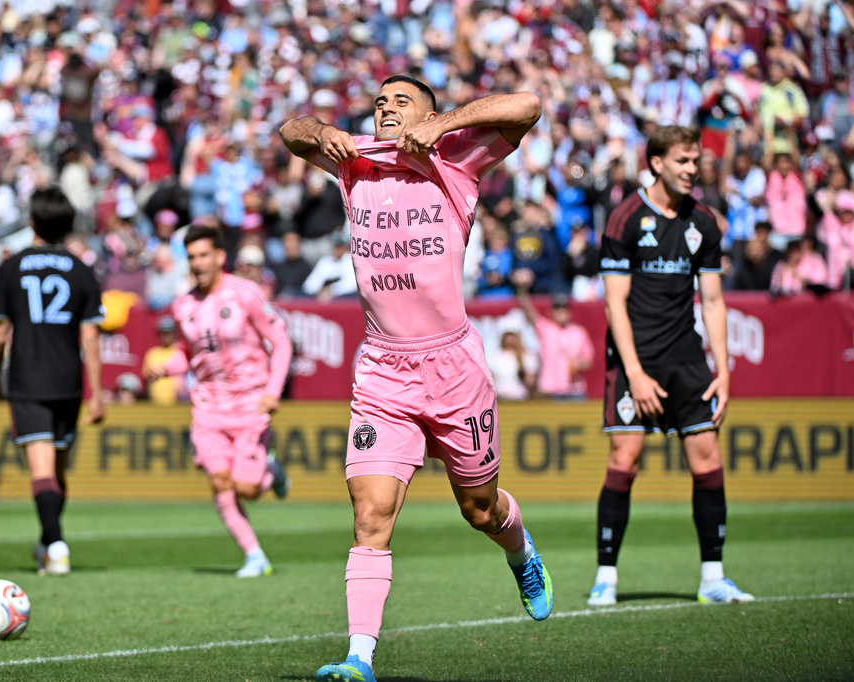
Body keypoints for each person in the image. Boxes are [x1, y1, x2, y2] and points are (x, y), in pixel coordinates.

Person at [280, 75, 552, 682]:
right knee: (371, 514)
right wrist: (322, 131)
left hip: (453, 368)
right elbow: (290, 132)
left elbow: (528, 105)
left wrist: (444, 123)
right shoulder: (355, 160)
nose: (385, 108)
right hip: (383, 368)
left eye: (401, 102)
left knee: (479, 509)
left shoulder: (457, 157)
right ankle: (359, 658)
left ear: (425, 114)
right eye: (379, 101)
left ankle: (521, 550)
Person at [590, 124, 753, 608]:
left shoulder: (704, 221)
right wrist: (636, 373)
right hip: (633, 359)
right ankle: (606, 578)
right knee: (625, 460)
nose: (692, 169)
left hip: (686, 358)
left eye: (695, 161)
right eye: (683, 161)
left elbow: (715, 301)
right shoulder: (624, 218)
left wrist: (723, 370)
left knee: (708, 461)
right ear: (657, 163)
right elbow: (614, 306)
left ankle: (713, 579)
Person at [145, 225, 292, 578]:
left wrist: (273, 390)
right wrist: (166, 368)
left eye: (203, 255)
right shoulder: (183, 306)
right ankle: (254, 555)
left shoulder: (245, 294)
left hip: (250, 403)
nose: (197, 263)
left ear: (220, 257)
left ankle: (270, 471)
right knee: (220, 483)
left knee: (246, 488)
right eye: (192, 257)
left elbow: (281, 341)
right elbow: (189, 354)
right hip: (208, 407)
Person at [0, 186, 107, 577]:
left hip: (27, 379)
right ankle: (48, 540)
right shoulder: (82, 270)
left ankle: (55, 546)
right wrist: (98, 394)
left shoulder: (10, 267)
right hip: (68, 381)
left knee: (40, 471)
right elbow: (90, 338)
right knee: (57, 471)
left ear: (32, 222)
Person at [518, 292, 595, 400]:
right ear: (552, 312)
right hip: (550, 389)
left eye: (565, 309)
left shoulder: (579, 332)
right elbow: (529, 312)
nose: (562, 312)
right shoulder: (546, 328)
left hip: (574, 390)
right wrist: (522, 289)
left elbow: (589, 361)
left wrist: (580, 364)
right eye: (558, 309)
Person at [142, 316, 183, 406]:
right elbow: (146, 374)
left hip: (179, 403)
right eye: (163, 333)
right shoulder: (152, 353)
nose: (166, 336)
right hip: (155, 404)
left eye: (169, 333)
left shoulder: (181, 351)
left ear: (174, 333)